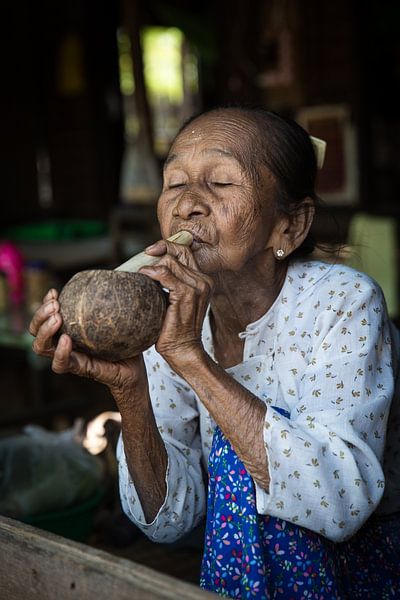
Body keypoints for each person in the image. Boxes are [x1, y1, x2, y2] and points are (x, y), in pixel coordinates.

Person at [30, 106, 400, 599]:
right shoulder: (169, 315)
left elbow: (340, 504)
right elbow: (170, 521)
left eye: (222, 183)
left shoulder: (343, 301)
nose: (187, 205)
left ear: (288, 227)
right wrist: (131, 389)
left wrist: (190, 359)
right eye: (175, 183)